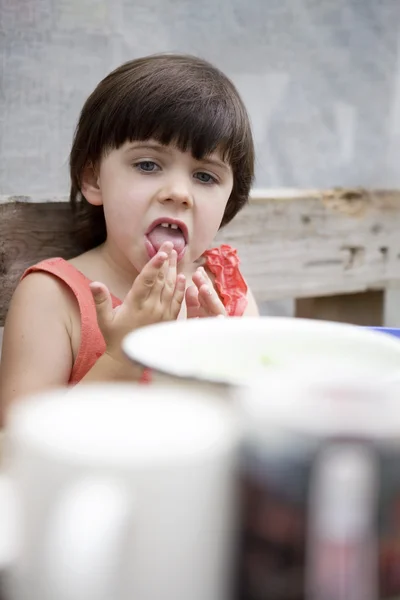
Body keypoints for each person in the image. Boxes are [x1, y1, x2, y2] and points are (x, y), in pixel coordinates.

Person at [0, 53, 259, 415]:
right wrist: (120, 355)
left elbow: (254, 421)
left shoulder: (225, 293)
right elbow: (20, 443)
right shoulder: (54, 297)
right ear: (93, 179)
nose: (179, 193)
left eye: (204, 176)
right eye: (148, 165)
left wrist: (219, 366)